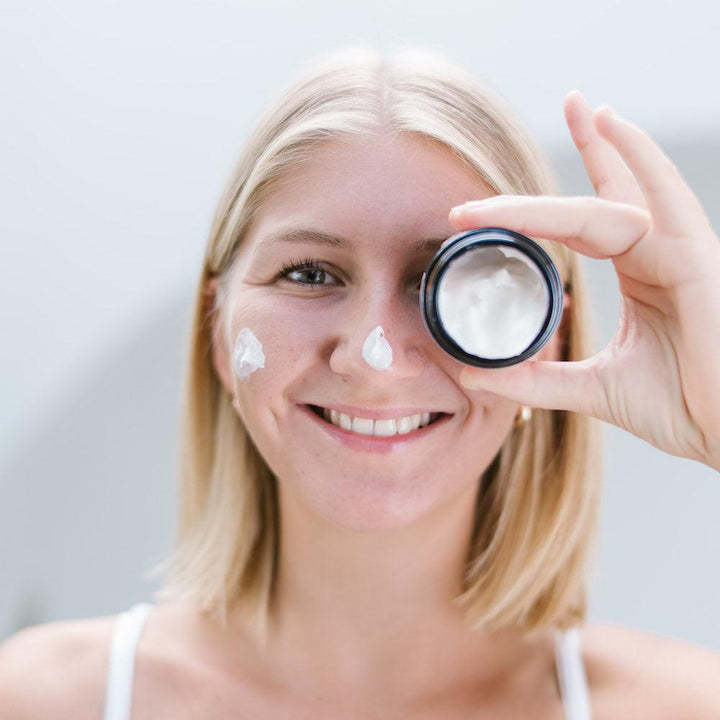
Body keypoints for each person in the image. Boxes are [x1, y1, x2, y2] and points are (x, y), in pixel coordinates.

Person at [1, 47, 719, 720]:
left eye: (443, 277)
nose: (373, 356)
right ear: (217, 330)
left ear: (546, 336)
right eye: (310, 274)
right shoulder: (44, 700)